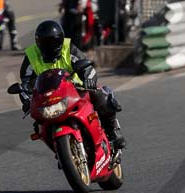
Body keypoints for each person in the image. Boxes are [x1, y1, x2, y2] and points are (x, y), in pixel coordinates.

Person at [19, 20, 126, 149]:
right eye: (45, 42)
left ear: (61, 39)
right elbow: (25, 83)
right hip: (49, 99)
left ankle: (113, 131)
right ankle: (60, 152)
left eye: (54, 41)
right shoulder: (31, 56)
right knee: (38, 124)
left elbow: (87, 66)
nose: (50, 46)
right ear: (38, 43)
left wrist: (88, 79)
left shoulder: (68, 48)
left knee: (100, 96)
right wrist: (27, 100)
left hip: (76, 90)